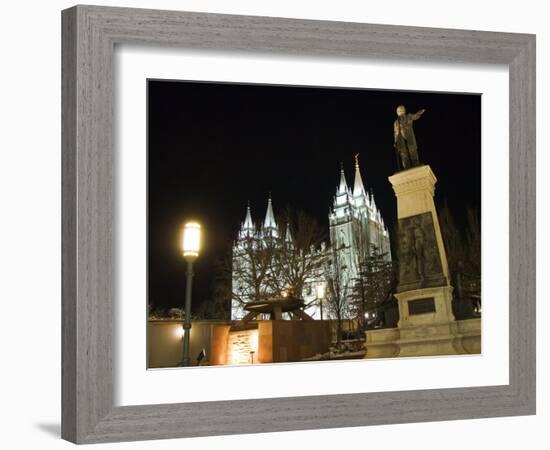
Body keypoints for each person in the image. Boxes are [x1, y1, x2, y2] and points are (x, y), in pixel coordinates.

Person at [393, 105, 426, 170]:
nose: (400, 112)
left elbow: (415, 116)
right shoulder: (396, 122)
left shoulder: (408, 116)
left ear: (404, 111)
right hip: (401, 140)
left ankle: (416, 165)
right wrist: (395, 141)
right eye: (399, 111)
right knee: (403, 154)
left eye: (401, 110)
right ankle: (406, 167)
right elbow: (395, 132)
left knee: (412, 151)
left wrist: (419, 112)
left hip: (409, 137)